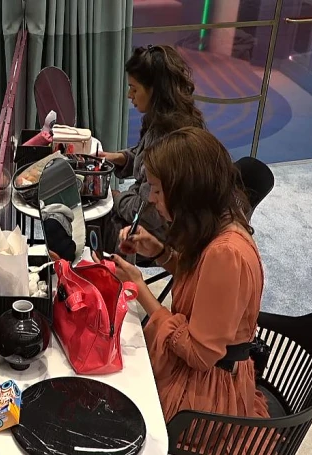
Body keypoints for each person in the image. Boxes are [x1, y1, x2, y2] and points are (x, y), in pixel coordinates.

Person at [107, 127, 270, 423]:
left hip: (206, 395)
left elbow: (199, 354)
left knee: (116, 397)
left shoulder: (226, 254)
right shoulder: (220, 221)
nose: (151, 199)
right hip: (208, 372)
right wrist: (159, 251)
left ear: (186, 194)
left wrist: (138, 288)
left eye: (157, 190)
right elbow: (200, 282)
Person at [94, 44, 206, 255]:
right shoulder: (162, 119)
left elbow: (149, 213)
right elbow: (142, 155)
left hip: (163, 230)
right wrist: (116, 157)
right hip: (146, 212)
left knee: (93, 227)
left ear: (155, 90)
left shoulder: (172, 140)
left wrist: (115, 197)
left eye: (134, 89)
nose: (129, 95)